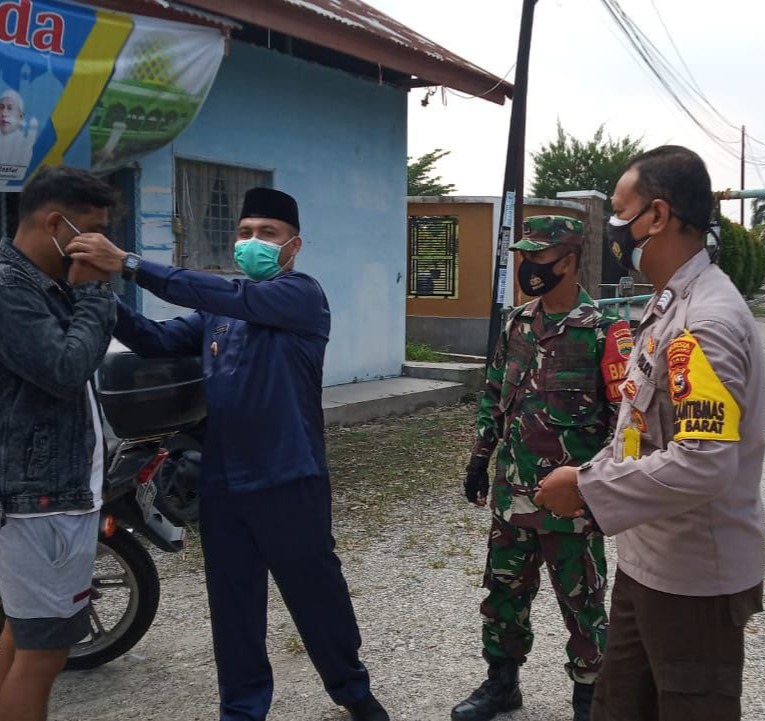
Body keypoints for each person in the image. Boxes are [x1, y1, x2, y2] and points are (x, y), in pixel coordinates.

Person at [68, 187, 390, 721]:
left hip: (289, 475)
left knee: (315, 592)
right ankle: (241, 709)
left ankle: (353, 691)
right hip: (225, 480)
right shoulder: (218, 314)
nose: (253, 243)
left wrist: (126, 261)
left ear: (294, 246)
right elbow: (153, 337)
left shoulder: (300, 296)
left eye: (268, 233)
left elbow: (228, 296)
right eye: (244, 233)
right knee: (234, 603)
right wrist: (101, 292)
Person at [535, 146, 765, 721]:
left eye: (620, 211)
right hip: (647, 559)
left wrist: (587, 488)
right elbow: (641, 427)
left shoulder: (705, 323)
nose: (613, 228)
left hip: (692, 581)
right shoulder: (669, 307)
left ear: (657, 217)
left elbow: (704, 462)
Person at [452, 216, 634, 721]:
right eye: (522, 258)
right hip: (512, 495)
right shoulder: (516, 324)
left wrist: (600, 489)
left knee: (583, 603)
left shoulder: (604, 332)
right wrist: (479, 458)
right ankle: (502, 685)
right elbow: (494, 397)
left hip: (572, 500)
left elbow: (624, 423)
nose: (526, 269)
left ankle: (589, 698)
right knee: (504, 593)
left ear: (569, 262)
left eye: (537, 259)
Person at [0, 166, 119, 721]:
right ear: (55, 223)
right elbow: (66, 368)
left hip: (46, 497)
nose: (100, 246)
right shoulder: (9, 289)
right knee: (44, 654)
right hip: (40, 504)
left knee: (19, 637)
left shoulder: (38, 284)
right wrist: (96, 291)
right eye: (90, 231)